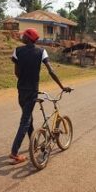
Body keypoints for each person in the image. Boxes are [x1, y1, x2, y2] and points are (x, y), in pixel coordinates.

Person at [10, 28, 72, 164]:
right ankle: (14, 153)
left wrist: (24, 80)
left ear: (27, 38)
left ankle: (34, 142)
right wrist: (62, 87)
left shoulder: (17, 51)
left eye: (24, 36)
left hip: (21, 90)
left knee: (28, 118)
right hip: (32, 90)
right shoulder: (41, 51)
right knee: (25, 121)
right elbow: (51, 71)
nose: (22, 37)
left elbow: (17, 72)